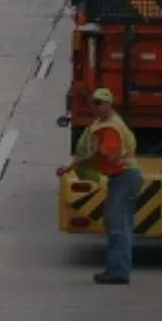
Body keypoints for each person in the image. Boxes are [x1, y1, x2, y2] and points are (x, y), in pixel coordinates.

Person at [57, 88, 143, 284]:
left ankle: (117, 271)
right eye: (93, 102)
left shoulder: (109, 128)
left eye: (99, 103)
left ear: (109, 104)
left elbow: (105, 154)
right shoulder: (105, 124)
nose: (95, 107)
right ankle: (119, 268)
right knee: (122, 224)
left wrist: (77, 163)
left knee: (116, 225)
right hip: (125, 177)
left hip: (124, 177)